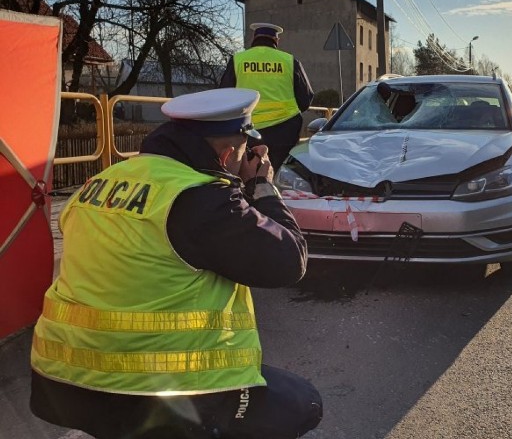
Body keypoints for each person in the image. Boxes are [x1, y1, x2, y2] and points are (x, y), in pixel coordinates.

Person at [30, 88, 322, 438]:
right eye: (242, 154)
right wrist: (261, 186)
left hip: (61, 381)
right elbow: (289, 260)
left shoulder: (102, 181)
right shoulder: (200, 200)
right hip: (153, 395)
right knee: (303, 403)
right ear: (229, 153)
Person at [220, 23, 315, 171]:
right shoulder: (289, 61)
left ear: (254, 38)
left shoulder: (238, 59)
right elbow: (306, 99)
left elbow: (224, 94)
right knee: (280, 172)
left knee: (248, 171)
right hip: (284, 130)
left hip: (247, 129)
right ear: (276, 40)